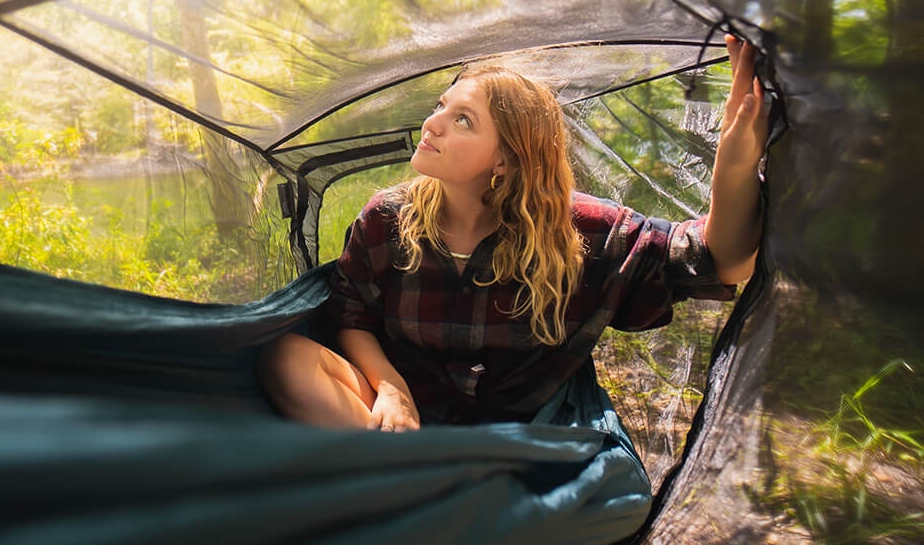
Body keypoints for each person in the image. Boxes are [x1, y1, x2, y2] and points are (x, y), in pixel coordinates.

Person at [259, 35, 767, 431]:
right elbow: (353, 316)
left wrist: (734, 164)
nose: (432, 124)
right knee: (288, 359)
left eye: (462, 120)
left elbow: (722, 261)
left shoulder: (582, 232)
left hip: (520, 429)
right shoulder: (386, 220)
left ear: (505, 158)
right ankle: (422, 487)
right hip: (404, 421)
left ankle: (418, 494)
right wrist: (390, 388)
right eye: (440, 106)